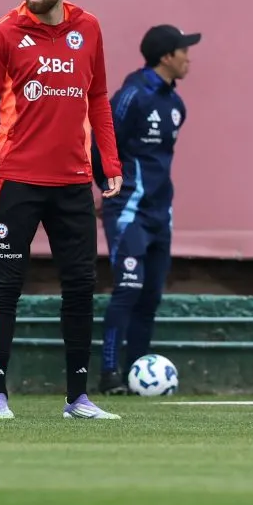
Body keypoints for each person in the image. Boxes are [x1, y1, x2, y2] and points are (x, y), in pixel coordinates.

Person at [0, 0, 125, 420]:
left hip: (74, 182)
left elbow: (98, 98)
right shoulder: (5, 32)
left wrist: (110, 165)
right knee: (5, 287)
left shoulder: (89, 29)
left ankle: (77, 397)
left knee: (80, 287)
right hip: (16, 182)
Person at [90, 24, 200, 395]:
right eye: (184, 49)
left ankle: (137, 372)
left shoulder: (176, 104)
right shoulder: (133, 95)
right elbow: (102, 141)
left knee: (151, 294)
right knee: (128, 288)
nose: (189, 56)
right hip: (128, 210)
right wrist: (106, 188)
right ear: (167, 56)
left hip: (160, 214)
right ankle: (108, 375)